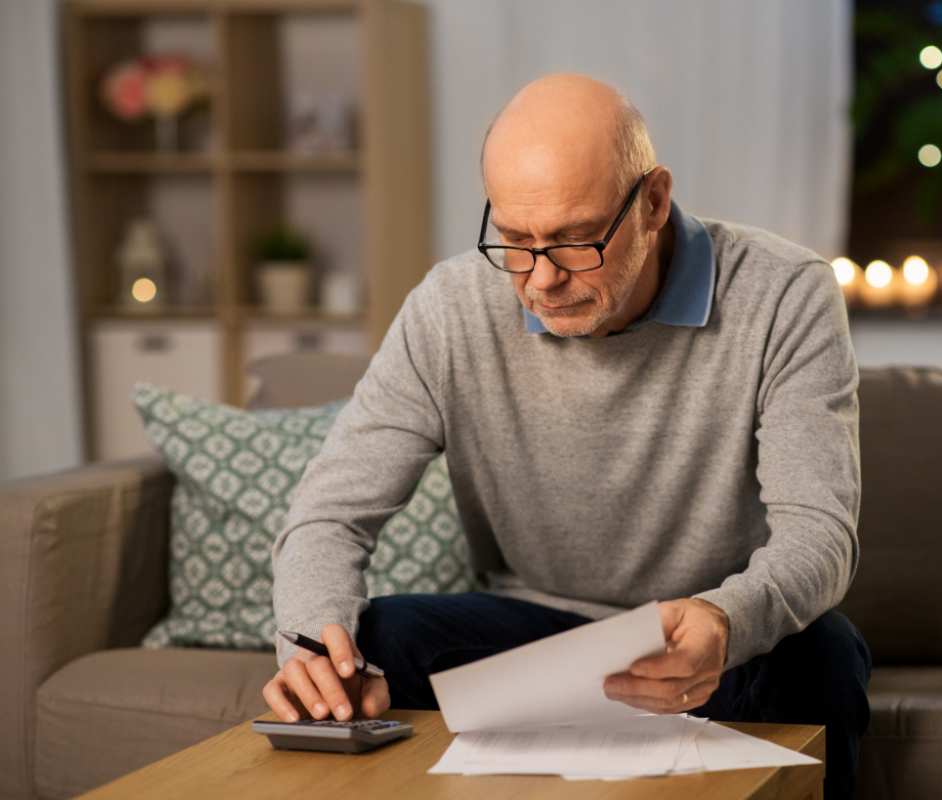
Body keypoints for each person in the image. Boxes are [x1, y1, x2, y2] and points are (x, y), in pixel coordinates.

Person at [262, 72, 872, 798]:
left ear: (652, 202)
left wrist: (726, 619)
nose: (539, 280)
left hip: (711, 640)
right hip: (534, 635)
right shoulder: (450, 308)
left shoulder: (785, 294)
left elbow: (820, 534)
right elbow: (331, 513)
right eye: (515, 241)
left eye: (575, 241)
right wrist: (311, 646)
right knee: (375, 638)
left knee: (823, 653)